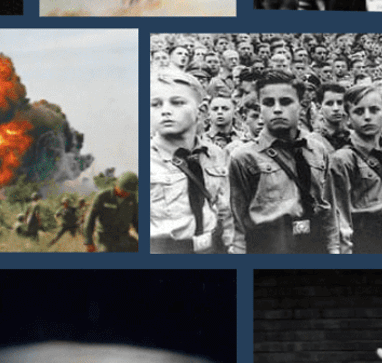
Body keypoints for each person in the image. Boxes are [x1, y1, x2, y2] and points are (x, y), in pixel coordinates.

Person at [229, 69, 341, 253]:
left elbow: (328, 208)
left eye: (286, 101)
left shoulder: (317, 150)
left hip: (315, 245)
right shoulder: (243, 157)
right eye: (268, 103)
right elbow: (237, 226)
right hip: (270, 247)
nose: (277, 109)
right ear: (260, 107)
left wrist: (335, 251)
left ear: (301, 106)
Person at [150, 68, 233, 253]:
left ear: (201, 110)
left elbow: (225, 208)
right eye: (155, 104)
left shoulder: (215, 154)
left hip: (212, 250)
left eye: (177, 102)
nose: (165, 111)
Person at [330, 82, 382, 253]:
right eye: (359, 111)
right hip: (367, 239)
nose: (367, 117)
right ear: (348, 118)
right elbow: (340, 217)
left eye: (374, 110)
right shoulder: (343, 159)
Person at [84, 171, 140, 252]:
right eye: (124, 191)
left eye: (129, 192)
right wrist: (89, 242)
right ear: (117, 186)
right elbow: (89, 219)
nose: (127, 194)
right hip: (105, 239)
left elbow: (136, 220)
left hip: (123, 237)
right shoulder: (102, 196)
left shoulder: (132, 198)